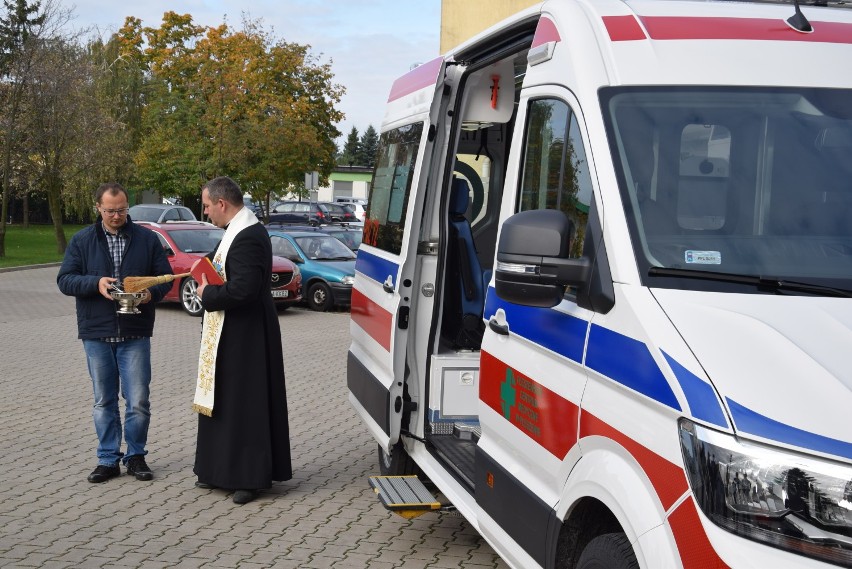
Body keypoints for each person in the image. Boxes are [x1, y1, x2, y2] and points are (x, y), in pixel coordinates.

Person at [57, 182, 173, 483]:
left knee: (138, 401)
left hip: (135, 333)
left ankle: (136, 456)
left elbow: (165, 279)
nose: (116, 216)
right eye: (110, 211)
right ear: (98, 207)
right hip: (96, 333)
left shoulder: (147, 239)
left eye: (121, 210)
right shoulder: (82, 240)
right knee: (103, 401)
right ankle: (108, 459)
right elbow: (65, 280)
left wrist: (150, 294)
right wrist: (95, 284)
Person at [192, 176, 292, 505]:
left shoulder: (249, 236)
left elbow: (245, 289)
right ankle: (216, 469)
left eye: (207, 207)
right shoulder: (236, 231)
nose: (206, 213)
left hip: (247, 336)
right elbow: (223, 265)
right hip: (231, 332)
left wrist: (208, 293)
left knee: (246, 406)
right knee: (224, 401)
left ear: (222, 204)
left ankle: (248, 477)